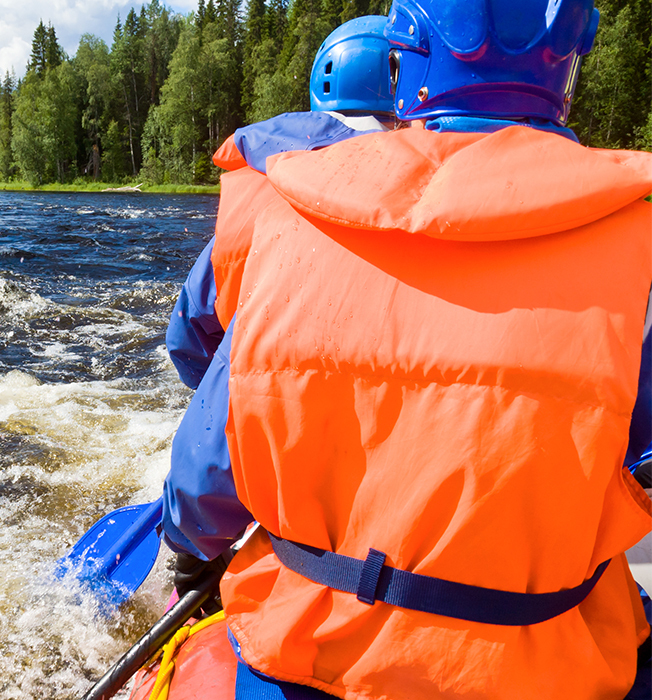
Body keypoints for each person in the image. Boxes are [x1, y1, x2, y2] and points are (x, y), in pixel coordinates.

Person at [160, 0, 652, 698]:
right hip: (546, 669)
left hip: (306, 657)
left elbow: (213, 452)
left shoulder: (290, 215)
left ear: (411, 59)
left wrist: (191, 553)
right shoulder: (640, 244)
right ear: (569, 63)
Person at [166, 15, 395, 391]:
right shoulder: (427, 194)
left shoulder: (255, 196)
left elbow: (186, 333)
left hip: (246, 423)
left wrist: (216, 394)